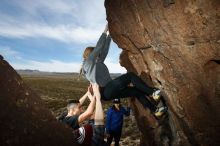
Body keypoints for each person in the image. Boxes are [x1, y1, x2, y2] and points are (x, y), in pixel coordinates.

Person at [80, 24, 167, 117]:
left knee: (135, 91)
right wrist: (105, 31)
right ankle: (152, 92)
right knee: (130, 76)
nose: (98, 55)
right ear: (90, 54)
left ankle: (155, 111)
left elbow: (104, 50)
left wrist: (109, 35)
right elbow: (99, 47)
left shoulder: (98, 62)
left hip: (109, 92)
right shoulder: (88, 63)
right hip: (106, 90)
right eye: (95, 54)